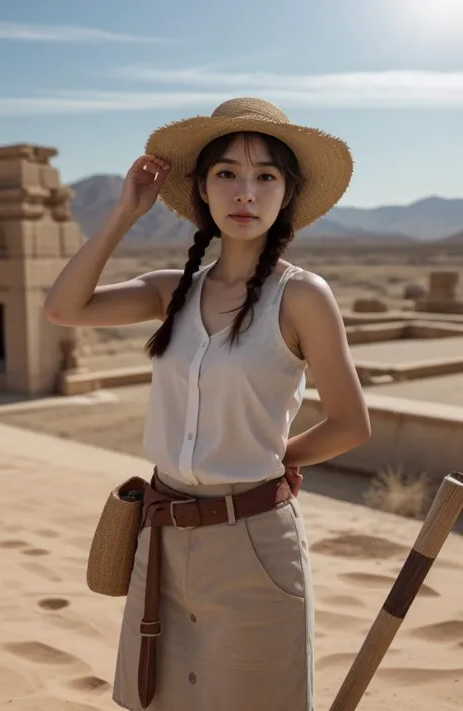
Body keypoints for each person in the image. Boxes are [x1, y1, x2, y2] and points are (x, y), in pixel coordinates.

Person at [45, 97, 371, 711]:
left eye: (265, 176)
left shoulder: (302, 296)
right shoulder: (171, 289)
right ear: (202, 190)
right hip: (159, 541)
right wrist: (123, 214)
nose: (244, 192)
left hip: (252, 542)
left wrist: (269, 460)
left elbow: (352, 424)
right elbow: (64, 309)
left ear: (287, 194)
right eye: (226, 173)